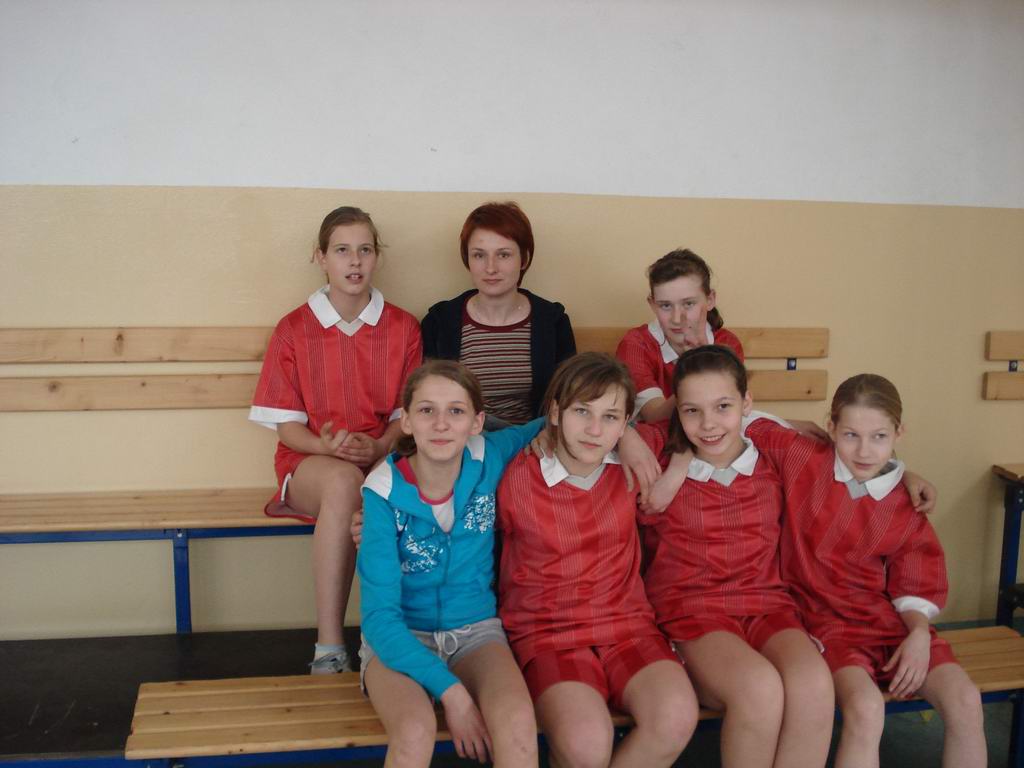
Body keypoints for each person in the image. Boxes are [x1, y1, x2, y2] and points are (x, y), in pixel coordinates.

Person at [744, 373, 985, 768]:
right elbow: (738, 418)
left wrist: (919, 634)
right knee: (867, 709)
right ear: (831, 428)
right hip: (824, 623)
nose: (864, 451)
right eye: (850, 435)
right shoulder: (802, 457)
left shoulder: (906, 500)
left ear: (898, 433)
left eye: (879, 437)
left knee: (966, 701)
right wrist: (796, 425)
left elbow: (917, 576)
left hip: (889, 623)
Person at [498, 352, 698, 768]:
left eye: (610, 417)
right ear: (555, 413)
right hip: (549, 633)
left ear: (625, 424)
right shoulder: (514, 475)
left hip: (627, 626)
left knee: (676, 717)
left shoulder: (634, 462)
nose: (594, 430)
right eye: (581, 412)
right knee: (587, 742)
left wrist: (663, 455)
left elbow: (701, 424)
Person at [640, 345, 834, 768]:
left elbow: (855, 455)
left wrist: (903, 474)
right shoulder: (656, 454)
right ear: (677, 412)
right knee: (759, 688)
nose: (708, 424)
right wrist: (664, 461)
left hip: (767, 605)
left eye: (723, 406)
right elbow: (603, 428)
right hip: (693, 611)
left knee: (815, 685)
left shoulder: (772, 451)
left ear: (747, 403)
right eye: (692, 411)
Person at [249, 206, 421, 674]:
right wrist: (327, 447)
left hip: (382, 456)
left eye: (365, 249)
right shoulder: (293, 329)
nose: (355, 261)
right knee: (346, 483)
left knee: (398, 487)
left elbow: (407, 417)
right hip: (311, 462)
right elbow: (288, 428)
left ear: (377, 256)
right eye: (342, 250)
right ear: (321, 257)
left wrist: (380, 446)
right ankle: (329, 649)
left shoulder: (404, 328)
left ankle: (383, 640)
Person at [357, 359, 543, 766]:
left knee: (517, 723)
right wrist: (454, 695)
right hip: (400, 637)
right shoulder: (382, 492)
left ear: (477, 423)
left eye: (456, 411)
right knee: (414, 730)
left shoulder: (489, 454)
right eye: (427, 410)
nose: (441, 424)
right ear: (407, 420)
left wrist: (632, 437)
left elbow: (554, 423)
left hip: (476, 631)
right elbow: (379, 619)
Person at [421, 202, 575, 430]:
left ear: (524, 259)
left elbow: (567, 400)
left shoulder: (553, 321)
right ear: (467, 259)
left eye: (503, 254)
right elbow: (427, 400)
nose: (490, 268)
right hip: (461, 440)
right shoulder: (440, 321)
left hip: (532, 440)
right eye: (479, 255)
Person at [616, 248, 743, 424]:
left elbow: (725, 414)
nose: (677, 319)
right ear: (652, 304)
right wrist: (697, 367)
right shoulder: (636, 344)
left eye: (688, 304)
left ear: (710, 300)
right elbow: (654, 416)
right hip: (659, 434)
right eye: (665, 305)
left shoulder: (726, 343)